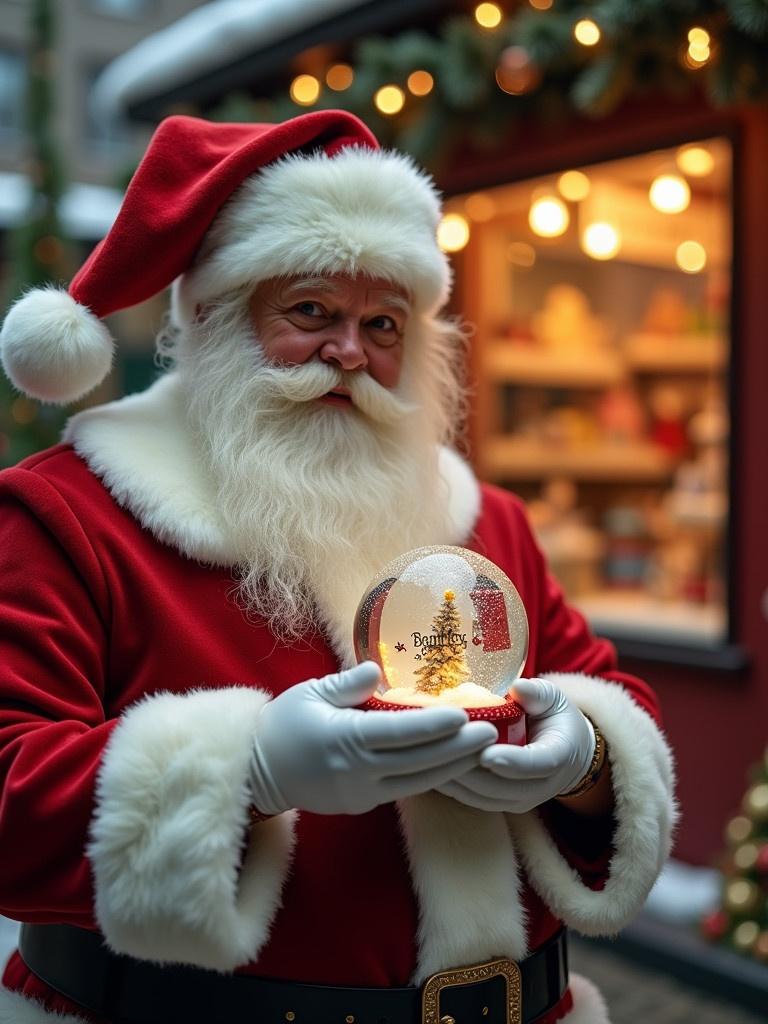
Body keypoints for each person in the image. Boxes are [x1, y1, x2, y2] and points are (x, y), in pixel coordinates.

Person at [0, 110, 675, 1024]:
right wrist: (249, 773)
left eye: (383, 323)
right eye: (310, 311)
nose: (349, 353)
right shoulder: (70, 514)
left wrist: (586, 758)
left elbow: (603, 690)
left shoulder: (484, 518)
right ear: (211, 317)